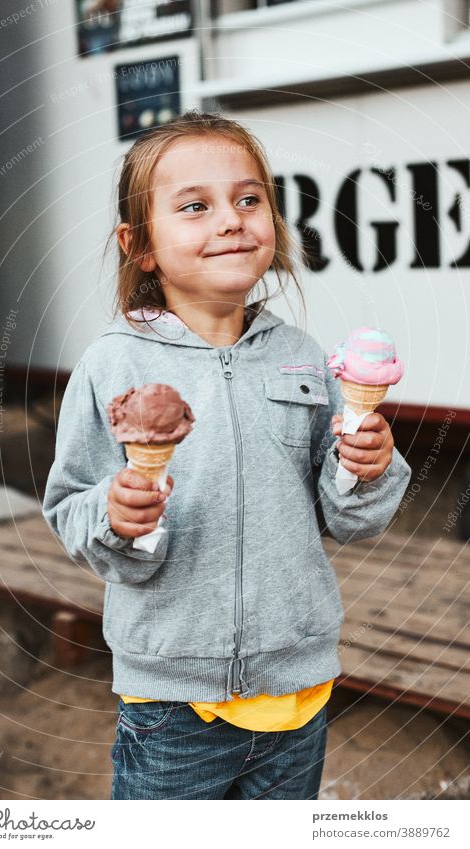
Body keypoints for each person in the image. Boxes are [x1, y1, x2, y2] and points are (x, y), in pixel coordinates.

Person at [43, 110, 411, 800]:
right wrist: (114, 512)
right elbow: (69, 508)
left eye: (249, 199)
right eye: (194, 206)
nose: (231, 219)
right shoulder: (110, 362)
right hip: (173, 705)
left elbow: (347, 517)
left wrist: (367, 465)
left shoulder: (303, 355)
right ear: (139, 244)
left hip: (297, 687)